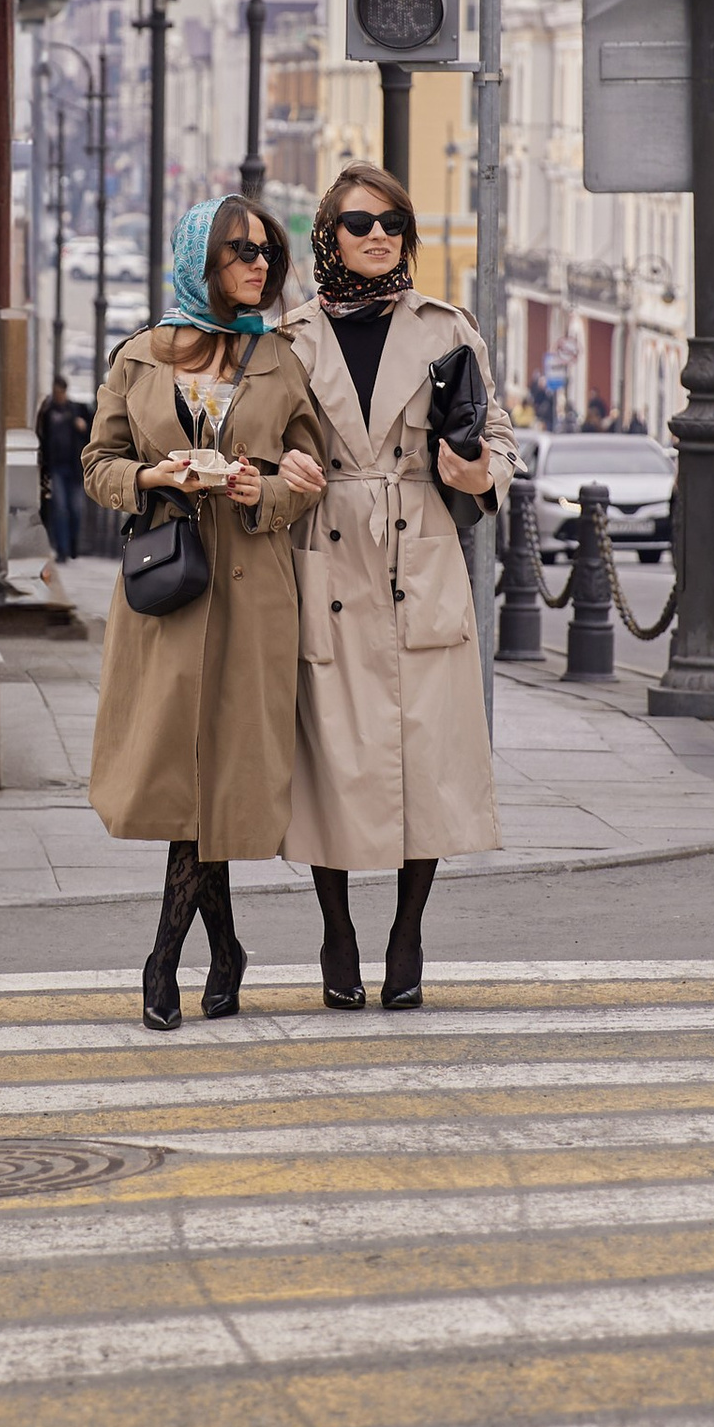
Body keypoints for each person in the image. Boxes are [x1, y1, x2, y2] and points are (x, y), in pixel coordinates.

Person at [82, 195, 326, 1029]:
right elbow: (98, 464)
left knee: (217, 776)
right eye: (240, 252)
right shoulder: (139, 359)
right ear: (202, 261)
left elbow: (309, 467)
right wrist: (153, 479)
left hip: (253, 592)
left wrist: (268, 489)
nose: (259, 265)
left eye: (266, 252)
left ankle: (165, 960)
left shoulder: (280, 362)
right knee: (184, 777)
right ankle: (220, 951)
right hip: (168, 591)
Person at [284, 166, 515, 1012]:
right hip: (331, 552)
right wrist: (281, 466)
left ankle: (408, 931)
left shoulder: (447, 328)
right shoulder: (291, 337)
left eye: (392, 222)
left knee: (431, 757)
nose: (377, 236)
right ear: (328, 236)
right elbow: (258, 435)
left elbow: (499, 435)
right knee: (332, 759)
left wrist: (481, 468)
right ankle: (336, 929)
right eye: (358, 223)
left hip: (420, 554)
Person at [35, 373, 92, 561]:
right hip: (56, 467)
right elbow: (41, 436)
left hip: (75, 467)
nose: (58, 395)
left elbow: (94, 433)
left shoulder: (77, 410)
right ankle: (62, 550)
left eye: (60, 392)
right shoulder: (48, 411)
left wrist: (83, 427)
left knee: (75, 509)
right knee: (60, 508)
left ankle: (73, 546)